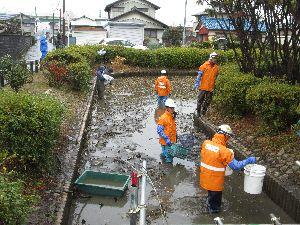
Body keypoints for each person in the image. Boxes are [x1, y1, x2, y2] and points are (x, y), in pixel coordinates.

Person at [199, 124, 256, 213]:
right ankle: (213, 217)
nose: (229, 139)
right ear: (225, 136)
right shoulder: (224, 151)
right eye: (228, 137)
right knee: (215, 207)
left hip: (205, 178)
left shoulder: (206, 143)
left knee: (210, 196)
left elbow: (212, 158)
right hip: (215, 183)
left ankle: (208, 205)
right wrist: (248, 160)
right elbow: (236, 166)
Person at [194, 52, 219, 116]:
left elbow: (216, 77)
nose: (216, 59)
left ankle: (203, 111)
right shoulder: (203, 66)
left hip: (211, 88)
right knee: (200, 100)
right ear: (211, 58)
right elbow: (199, 76)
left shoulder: (216, 68)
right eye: (214, 58)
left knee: (208, 101)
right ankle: (198, 112)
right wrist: (196, 84)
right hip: (203, 87)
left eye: (216, 58)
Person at [157, 98, 177, 163]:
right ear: (167, 108)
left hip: (171, 140)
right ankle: (168, 168)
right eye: (171, 108)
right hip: (165, 141)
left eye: (173, 108)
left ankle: (163, 155)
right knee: (169, 158)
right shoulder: (163, 118)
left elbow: (172, 128)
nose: (172, 109)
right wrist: (166, 139)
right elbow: (159, 131)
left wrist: (176, 136)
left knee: (167, 153)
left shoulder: (171, 116)